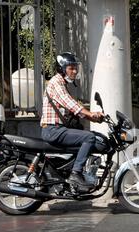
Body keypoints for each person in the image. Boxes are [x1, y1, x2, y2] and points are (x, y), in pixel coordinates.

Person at [40, 52, 105, 187]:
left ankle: (73, 173)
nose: (75, 71)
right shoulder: (56, 82)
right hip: (53, 130)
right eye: (71, 68)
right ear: (62, 69)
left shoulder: (62, 84)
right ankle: (76, 173)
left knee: (90, 137)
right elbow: (70, 103)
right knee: (89, 138)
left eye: (75, 68)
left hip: (57, 129)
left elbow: (73, 110)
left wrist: (94, 118)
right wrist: (91, 113)